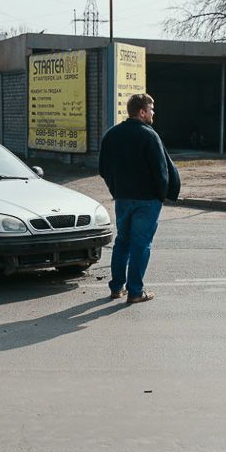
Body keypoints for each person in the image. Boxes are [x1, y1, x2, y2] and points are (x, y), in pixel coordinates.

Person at [98, 92, 181, 304]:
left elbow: (103, 168)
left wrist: (116, 189)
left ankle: (117, 288)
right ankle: (135, 291)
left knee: (122, 242)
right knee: (141, 245)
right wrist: (162, 195)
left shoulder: (112, 134)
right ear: (142, 112)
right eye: (151, 109)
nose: (154, 113)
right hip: (147, 200)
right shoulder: (149, 135)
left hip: (123, 198)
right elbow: (161, 171)